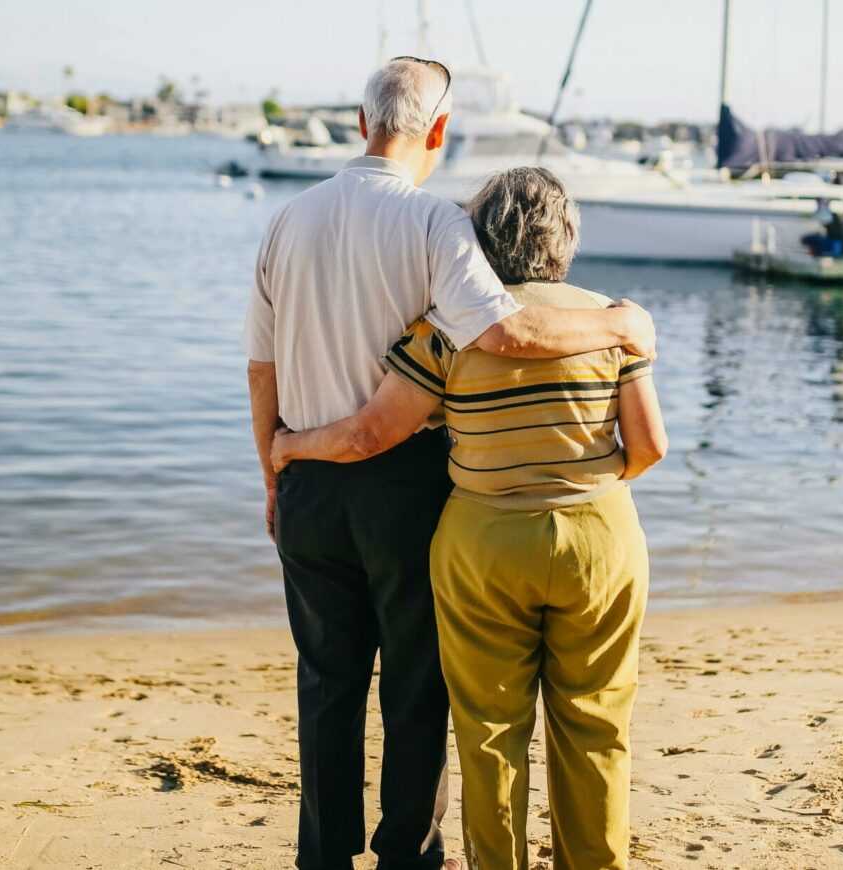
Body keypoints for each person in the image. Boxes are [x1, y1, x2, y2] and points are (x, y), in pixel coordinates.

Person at [244, 58, 657, 870]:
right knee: (415, 686)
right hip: (406, 487)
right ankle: (409, 856)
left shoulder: (285, 220)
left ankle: (323, 859)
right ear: (435, 131)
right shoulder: (437, 225)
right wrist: (622, 326)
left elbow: (262, 368)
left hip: (308, 481)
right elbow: (507, 331)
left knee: (326, 686)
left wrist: (274, 471)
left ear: (363, 122)